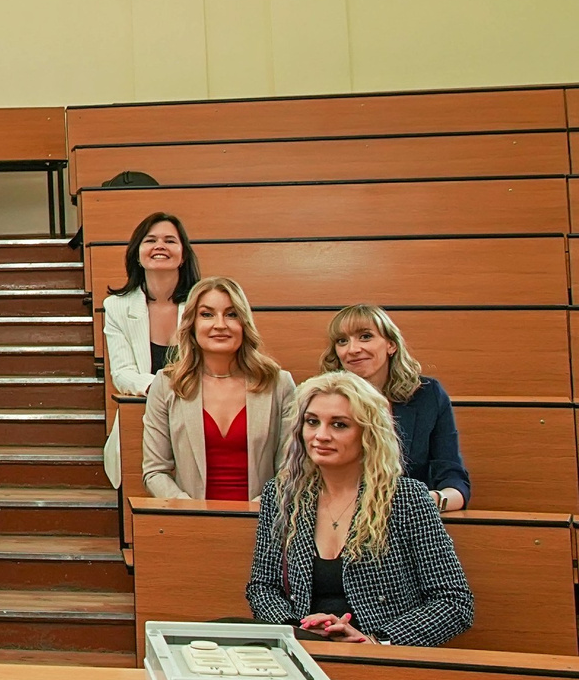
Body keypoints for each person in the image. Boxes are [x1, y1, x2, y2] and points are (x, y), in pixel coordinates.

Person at [246, 371, 474, 648]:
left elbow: (454, 601)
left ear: (368, 433)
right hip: (304, 647)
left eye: (339, 425)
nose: (320, 435)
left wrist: (378, 641)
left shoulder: (405, 498)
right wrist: (297, 629)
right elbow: (263, 587)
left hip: (381, 657)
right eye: (312, 422)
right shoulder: (282, 495)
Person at [142, 277, 299, 502]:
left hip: (263, 522)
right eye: (207, 314)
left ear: (244, 323)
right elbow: (155, 471)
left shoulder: (279, 384)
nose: (220, 325)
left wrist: (260, 510)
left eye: (231, 314)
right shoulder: (166, 385)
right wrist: (192, 513)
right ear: (192, 324)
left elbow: (291, 469)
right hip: (192, 523)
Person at [323, 305, 470, 511]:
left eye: (365, 337)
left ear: (391, 345)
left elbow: (452, 477)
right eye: (342, 341)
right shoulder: (323, 399)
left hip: (410, 520)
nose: (352, 349)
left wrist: (428, 501)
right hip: (340, 517)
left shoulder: (428, 395)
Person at [105, 212, 199, 399]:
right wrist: (160, 389)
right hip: (142, 411)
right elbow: (122, 373)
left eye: (170, 241)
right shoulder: (117, 307)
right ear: (137, 256)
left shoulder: (202, 304)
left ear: (183, 257)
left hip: (195, 407)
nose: (160, 246)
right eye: (150, 240)